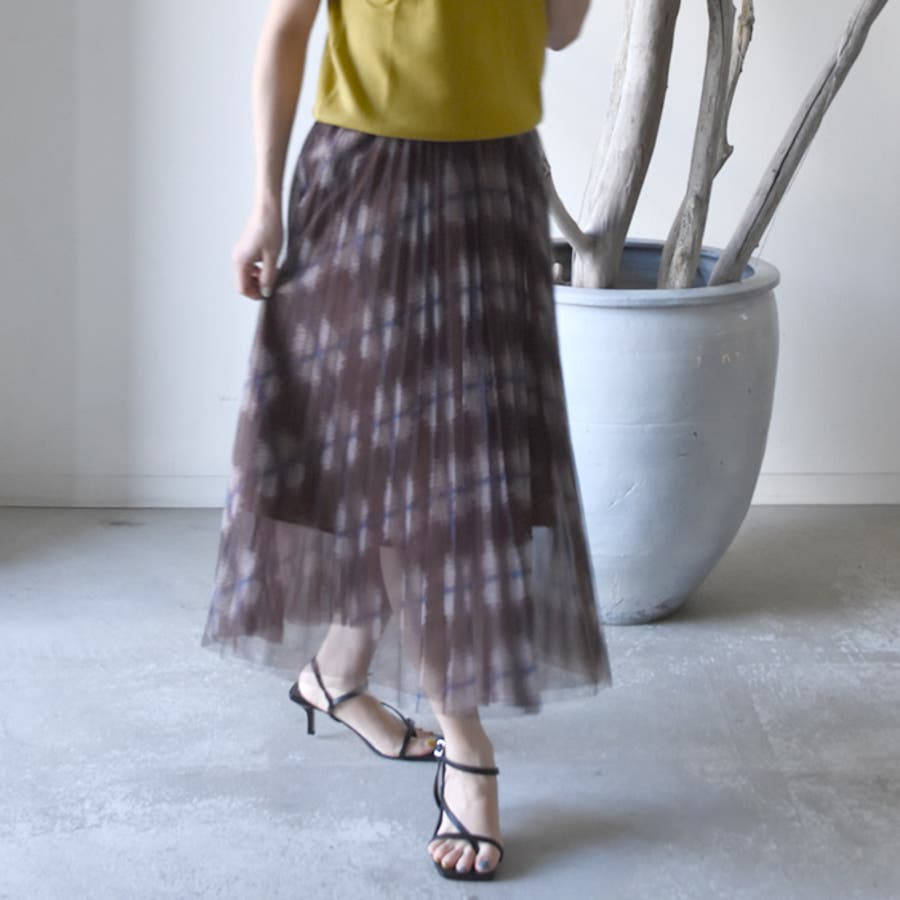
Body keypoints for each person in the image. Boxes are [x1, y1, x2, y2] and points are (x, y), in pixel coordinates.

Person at [201, 0, 611, 881]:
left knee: (448, 460)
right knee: (398, 460)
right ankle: (465, 741)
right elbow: (286, 30)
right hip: (369, 179)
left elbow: (557, 27)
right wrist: (265, 202)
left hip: (496, 179)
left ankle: (337, 670)